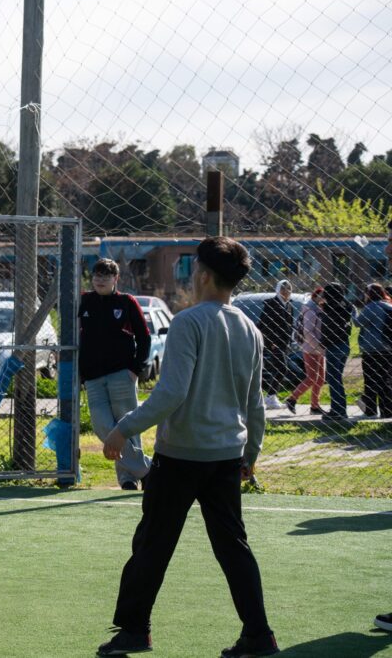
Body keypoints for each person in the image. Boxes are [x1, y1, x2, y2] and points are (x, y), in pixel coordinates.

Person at [97, 237, 277, 658]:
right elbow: (254, 404)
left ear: (204, 275)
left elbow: (171, 393)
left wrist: (123, 429)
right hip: (226, 457)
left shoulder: (188, 322)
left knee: (152, 544)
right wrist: (250, 455)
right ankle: (259, 635)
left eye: (195, 268)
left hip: (180, 456)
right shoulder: (250, 330)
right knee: (234, 548)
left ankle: (135, 631)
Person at [79, 258, 152, 490]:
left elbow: (144, 337)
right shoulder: (84, 301)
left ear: (115, 279)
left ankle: (128, 478)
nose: (100, 280)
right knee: (102, 426)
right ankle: (148, 470)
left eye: (106, 276)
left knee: (128, 428)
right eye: (97, 275)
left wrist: (135, 370)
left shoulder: (126, 302)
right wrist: (82, 373)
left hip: (122, 374)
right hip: (93, 378)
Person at [353, 283, 392, 418]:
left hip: (372, 348)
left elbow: (358, 323)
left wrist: (353, 313)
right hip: (388, 347)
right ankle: (387, 410)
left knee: (370, 379)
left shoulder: (372, 307)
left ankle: (370, 410)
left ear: (369, 294)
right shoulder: (388, 306)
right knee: (385, 379)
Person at [286, 287, 325, 414]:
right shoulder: (310, 311)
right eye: (322, 295)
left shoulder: (319, 308)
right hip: (310, 348)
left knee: (321, 378)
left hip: (319, 348)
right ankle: (292, 399)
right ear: (315, 296)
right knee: (312, 377)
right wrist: (318, 346)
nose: (324, 298)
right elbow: (308, 332)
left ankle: (314, 406)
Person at [319, 283, 353, 421]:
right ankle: (340, 409)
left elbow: (329, 329)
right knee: (337, 378)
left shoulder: (332, 309)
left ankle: (337, 410)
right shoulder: (345, 306)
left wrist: (323, 342)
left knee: (333, 379)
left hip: (334, 346)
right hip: (344, 344)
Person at [259, 279, 294, 410]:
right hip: (274, 343)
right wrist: (270, 342)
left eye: (289, 289)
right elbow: (265, 325)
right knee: (282, 368)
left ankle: (271, 396)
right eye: (283, 289)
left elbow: (290, 324)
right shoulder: (271, 304)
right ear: (278, 290)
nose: (286, 292)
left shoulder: (289, 305)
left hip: (284, 342)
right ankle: (270, 397)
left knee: (278, 369)